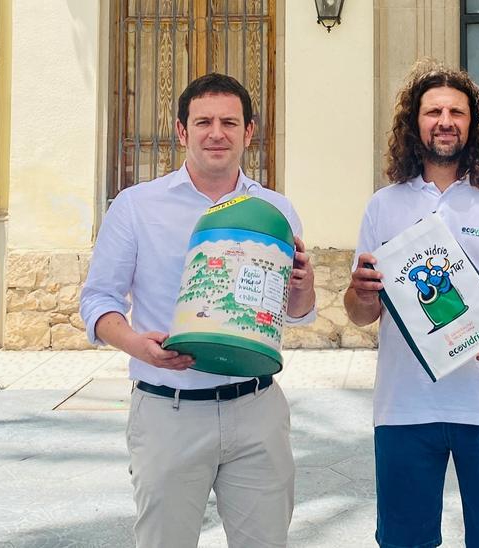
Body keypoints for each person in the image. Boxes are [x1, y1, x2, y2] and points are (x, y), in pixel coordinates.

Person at [79, 73, 316, 548]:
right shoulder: (136, 206)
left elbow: (297, 313)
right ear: (182, 131)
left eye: (229, 122)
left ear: (249, 132)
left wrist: (304, 286)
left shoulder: (274, 210)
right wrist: (135, 345)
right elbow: (98, 300)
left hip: (256, 409)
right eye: (203, 121)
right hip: (170, 409)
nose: (216, 133)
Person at [344, 61, 479, 548]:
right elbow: (362, 315)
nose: (445, 121)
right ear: (413, 123)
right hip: (404, 406)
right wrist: (359, 291)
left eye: (457, 111)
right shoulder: (384, 205)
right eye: (433, 111)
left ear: (474, 123)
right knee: (404, 541)